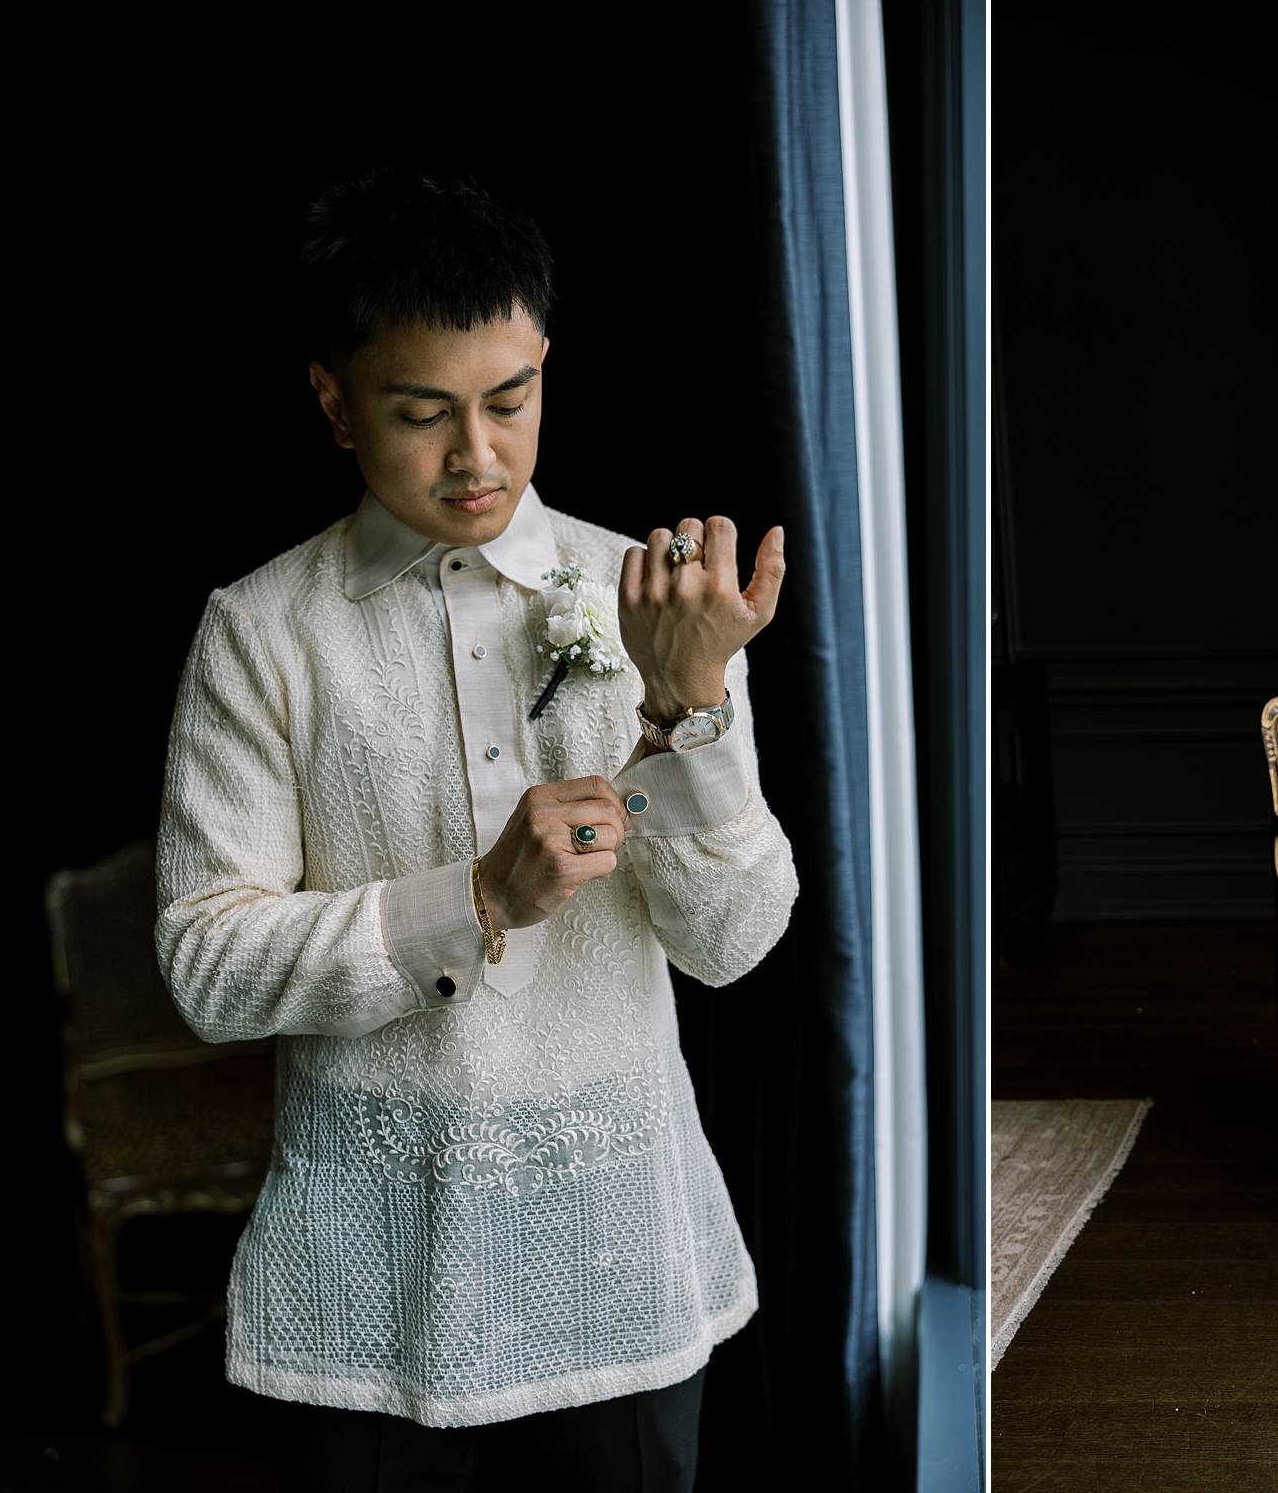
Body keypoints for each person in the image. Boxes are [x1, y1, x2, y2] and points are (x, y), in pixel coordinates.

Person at [155, 171, 797, 1491]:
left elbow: (732, 946)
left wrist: (690, 710)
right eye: (421, 412)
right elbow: (208, 968)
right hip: (365, 1284)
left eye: (510, 401)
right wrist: (479, 898)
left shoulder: (650, 603)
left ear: (547, 368)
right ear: (334, 400)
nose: (479, 456)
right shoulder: (262, 632)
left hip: (618, 1272)